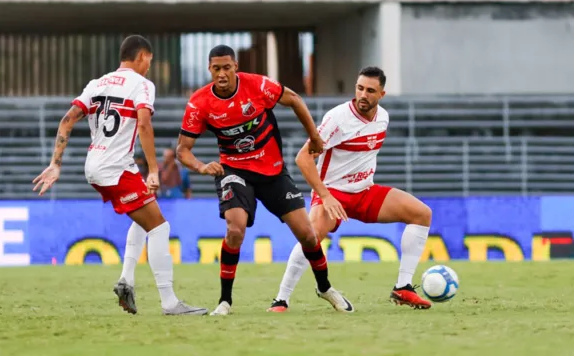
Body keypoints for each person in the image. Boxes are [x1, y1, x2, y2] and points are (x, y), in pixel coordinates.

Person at [32, 35, 207, 316]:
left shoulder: (97, 84)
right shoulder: (142, 85)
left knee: (145, 213)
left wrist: (56, 164)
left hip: (101, 164)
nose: (149, 67)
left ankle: (127, 279)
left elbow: (67, 120)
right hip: (115, 168)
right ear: (141, 57)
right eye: (148, 61)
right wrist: (153, 169)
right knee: (160, 228)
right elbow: (145, 125)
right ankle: (170, 302)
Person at [176, 44, 353, 316]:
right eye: (216, 69)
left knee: (307, 235)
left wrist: (315, 137)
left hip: (272, 170)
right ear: (209, 69)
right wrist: (200, 166)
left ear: (235, 67)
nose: (221, 74)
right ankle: (225, 301)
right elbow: (182, 150)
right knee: (235, 230)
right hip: (234, 171)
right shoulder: (200, 103)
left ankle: (325, 288)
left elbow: (294, 98)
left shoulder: (257, 86)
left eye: (226, 67)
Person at [268, 66, 433, 312]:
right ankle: (281, 300)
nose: (363, 95)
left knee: (422, 214)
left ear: (382, 94)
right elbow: (303, 159)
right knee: (311, 236)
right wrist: (325, 196)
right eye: (359, 88)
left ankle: (403, 288)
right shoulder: (337, 119)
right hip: (332, 194)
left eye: (370, 90)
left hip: (365, 192)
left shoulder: (383, 118)